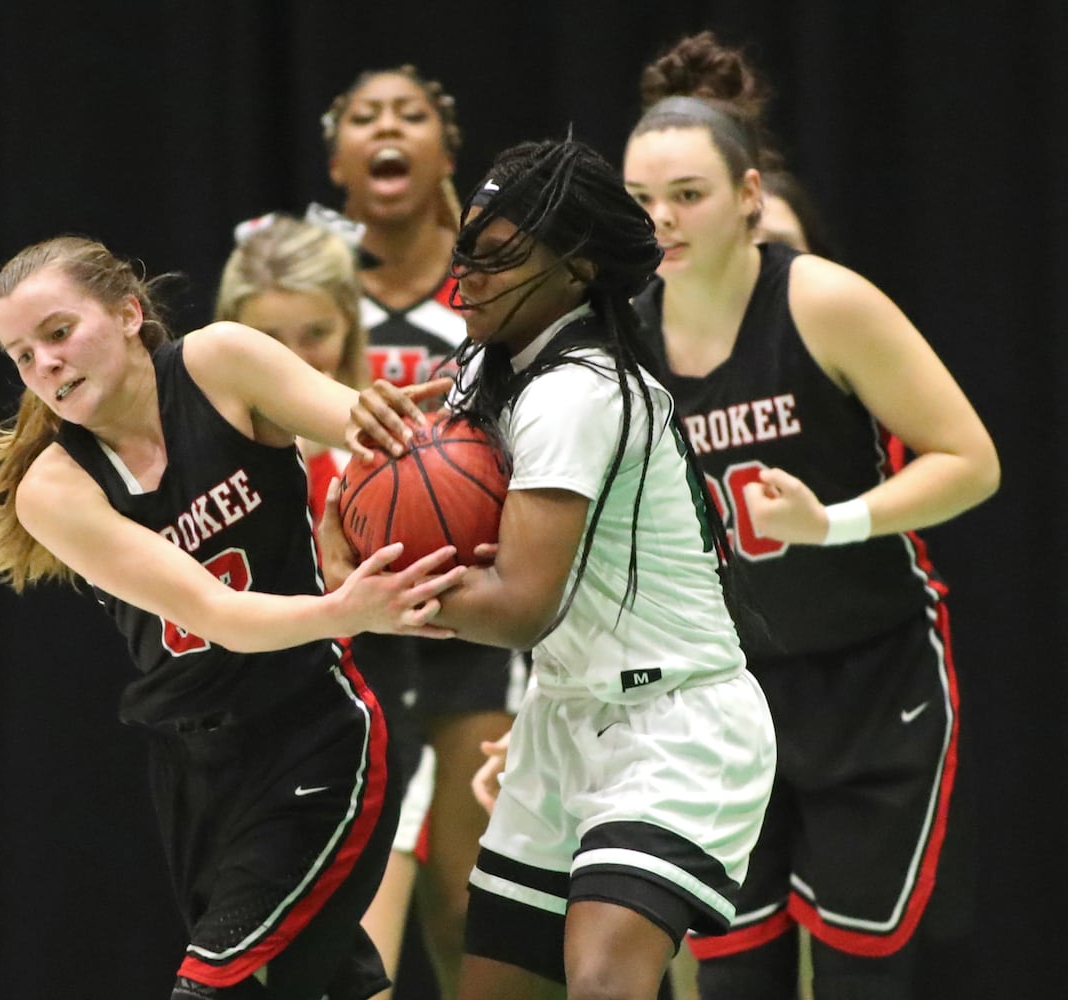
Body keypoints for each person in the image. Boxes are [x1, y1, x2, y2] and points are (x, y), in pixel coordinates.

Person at [320, 135, 778, 1000]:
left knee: (606, 980)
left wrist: (374, 593)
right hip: (566, 716)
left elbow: (520, 606)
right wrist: (348, 504)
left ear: (577, 268)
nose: (469, 279)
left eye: (499, 260)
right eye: (466, 252)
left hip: (674, 722)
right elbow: (361, 508)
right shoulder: (482, 371)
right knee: (490, 986)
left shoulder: (579, 389)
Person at [0, 235, 469, 1000]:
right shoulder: (54, 490)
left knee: (213, 991)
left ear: (130, 312)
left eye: (58, 332)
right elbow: (214, 611)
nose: (45, 366)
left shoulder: (220, 362)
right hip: (195, 776)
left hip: (314, 734)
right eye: (22, 356)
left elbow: (371, 431)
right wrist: (343, 607)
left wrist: (436, 438)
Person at [622, 30, 1000, 1000]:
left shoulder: (824, 302)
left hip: (870, 678)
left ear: (750, 197)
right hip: (719, 696)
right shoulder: (621, 338)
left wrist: (830, 521)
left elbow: (973, 460)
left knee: (858, 974)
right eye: (640, 201)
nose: (661, 219)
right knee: (734, 977)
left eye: (689, 196)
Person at [322, 64, 526, 999]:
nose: (386, 129)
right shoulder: (306, 286)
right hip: (353, 604)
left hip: (479, 596)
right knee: (360, 903)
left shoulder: (489, 284)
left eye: (410, 115)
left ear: (447, 152)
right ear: (337, 160)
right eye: (364, 118)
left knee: (469, 900)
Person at [212, 208, 436, 1000]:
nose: (300, 355)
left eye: (317, 332)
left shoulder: (380, 447)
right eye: (273, 339)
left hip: (368, 721)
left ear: (350, 326)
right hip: (242, 749)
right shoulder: (203, 460)